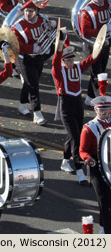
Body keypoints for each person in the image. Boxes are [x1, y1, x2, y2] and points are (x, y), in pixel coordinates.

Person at [52, 34, 99, 183]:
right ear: (63, 61)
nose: (71, 61)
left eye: (72, 58)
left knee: (73, 134)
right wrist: (59, 45)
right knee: (76, 138)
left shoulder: (78, 67)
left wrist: (99, 44)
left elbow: (91, 60)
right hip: (66, 105)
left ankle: (65, 160)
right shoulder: (59, 72)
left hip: (78, 104)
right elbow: (54, 63)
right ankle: (80, 171)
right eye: (68, 59)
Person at [11, 0, 60, 125]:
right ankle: (37, 113)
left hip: (38, 57)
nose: (28, 13)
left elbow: (56, 24)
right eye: (26, 11)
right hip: (23, 59)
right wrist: (32, 48)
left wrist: (53, 23)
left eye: (31, 11)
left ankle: (22, 105)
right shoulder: (18, 26)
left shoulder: (42, 20)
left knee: (31, 82)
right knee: (33, 85)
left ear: (36, 12)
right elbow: (16, 45)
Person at [80, 96, 111, 234]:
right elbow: (82, 150)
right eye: (101, 109)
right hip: (97, 167)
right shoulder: (89, 128)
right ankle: (106, 230)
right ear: (95, 109)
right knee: (103, 200)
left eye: (106, 109)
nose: (104, 112)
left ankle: (104, 227)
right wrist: (88, 159)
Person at [80, 0, 111, 105]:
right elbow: (85, 32)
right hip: (92, 45)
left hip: (105, 43)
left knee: (101, 71)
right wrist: (104, 30)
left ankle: (90, 98)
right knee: (97, 74)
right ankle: (100, 102)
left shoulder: (107, 4)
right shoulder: (87, 10)